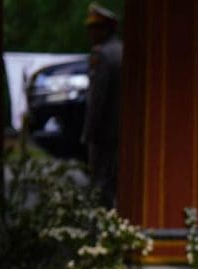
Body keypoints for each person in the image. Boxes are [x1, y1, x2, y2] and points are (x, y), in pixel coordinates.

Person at [81, 3, 122, 208]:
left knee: (101, 184)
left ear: (104, 30)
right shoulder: (121, 51)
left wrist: (89, 132)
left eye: (93, 28)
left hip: (103, 132)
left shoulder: (102, 55)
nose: (90, 34)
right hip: (120, 130)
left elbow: (97, 99)